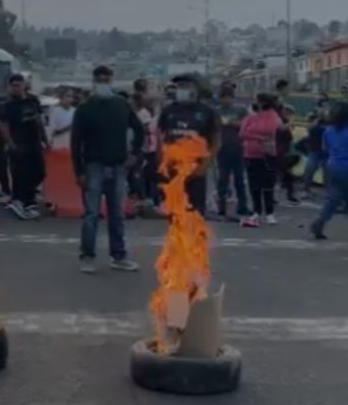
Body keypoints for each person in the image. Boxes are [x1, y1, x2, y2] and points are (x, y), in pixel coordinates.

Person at [72, 66, 143, 274]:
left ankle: (118, 256)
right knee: (92, 214)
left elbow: (139, 129)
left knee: (117, 213)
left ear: (112, 81)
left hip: (118, 165)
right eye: (99, 79)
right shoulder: (85, 108)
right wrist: (79, 171)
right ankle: (87, 256)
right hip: (93, 166)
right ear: (94, 81)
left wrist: (135, 154)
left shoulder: (122, 105)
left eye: (106, 79)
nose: (103, 82)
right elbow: (76, 142)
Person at [156, 74, 221, 216]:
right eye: (179, 87)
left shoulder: (206, 112)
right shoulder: (168, 111)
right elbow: (160, 138)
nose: (182, 90)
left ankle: (195, 237)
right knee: (175, 211)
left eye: (186, 86)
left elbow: (215, 141)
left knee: (196, 212)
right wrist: (162, 163)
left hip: (196, 169)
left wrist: (204, 166)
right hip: (174, 169)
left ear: (195, 89)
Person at [310, 102, 348, 241]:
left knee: (334, 198)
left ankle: (319, 223)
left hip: (333, 165)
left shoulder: (329, 130)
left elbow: (325, 148)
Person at [2, 74, 49, 219]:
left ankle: (28, 199)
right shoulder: (8, 105)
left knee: (39, 172)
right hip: (18, 143)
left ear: (24, 85)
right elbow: (4, 127)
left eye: (19, 85)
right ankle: (22, 202)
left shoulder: (33, 101)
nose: (17, 88)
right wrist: (11, 144)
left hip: (34, 142)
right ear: (10, 87)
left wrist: (45, 139)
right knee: (20, 175)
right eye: (14, 86)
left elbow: (39, 121)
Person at [240, 94, 283, 228]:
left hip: (267, 155)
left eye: (257, 101)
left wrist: (253, 135)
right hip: (250, 154)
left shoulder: (273, 116)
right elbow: (242, 133)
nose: (255, 103)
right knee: (254, 185)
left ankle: (269, 213)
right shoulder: (250, 117)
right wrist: (259, 137)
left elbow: (270, 130)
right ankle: (256, 211)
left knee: (267, 184)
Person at [215, 86, 250, 219]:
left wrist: (235, 123)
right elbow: (213, 126)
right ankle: (222, 206)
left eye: (228, 97)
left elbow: (247, 124)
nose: (226, 100)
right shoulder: (216, 111)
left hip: (238, 147)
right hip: (222, 148)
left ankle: (243, 206)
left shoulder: (240, 110)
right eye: (223, 97)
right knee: (222, 179)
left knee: (239, 179)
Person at [302, 106, 329, 197]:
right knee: (309, 171)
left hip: (326, 152)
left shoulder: (332, 124)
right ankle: (306, 190)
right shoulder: (316, 123)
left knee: (327, 173)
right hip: (316, 150)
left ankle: (329, 193)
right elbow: (309, 132)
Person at [276, 104, 300, 205]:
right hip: (278, 151)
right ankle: (289, 194)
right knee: (285, 173)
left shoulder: (284, 120)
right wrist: (290, 124)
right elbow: (280, 129)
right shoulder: (278, 119)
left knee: (287, 173)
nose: (289, 115)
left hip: (283, 151)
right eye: (288, 112)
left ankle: (289, 193)